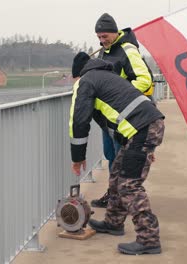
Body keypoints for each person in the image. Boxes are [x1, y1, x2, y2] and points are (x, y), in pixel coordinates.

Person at [69, 52, 165, 255]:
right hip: (143, 128)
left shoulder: (85, 81)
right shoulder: (109, 76)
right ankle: (113, 222)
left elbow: (78, 120)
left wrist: (77, 157)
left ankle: (149, 239)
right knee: (117, 175)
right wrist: (149, 146)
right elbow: (120, 117)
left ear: (77, 75)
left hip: (142, 130)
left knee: (129, 185)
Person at [91, 13, 156, 208]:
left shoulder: (127, 49)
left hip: (126, 115)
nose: (102, 41)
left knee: (122, 158)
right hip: (109, 115)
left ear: (114, 32)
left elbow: (145, 80)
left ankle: (120, 200)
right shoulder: (105, 51)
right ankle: (114, 195)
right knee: (111, 155)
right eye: (99, 37)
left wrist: (120, 97)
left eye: (105, 36)